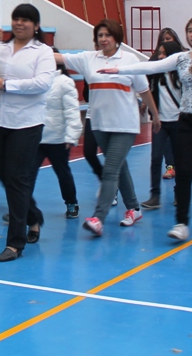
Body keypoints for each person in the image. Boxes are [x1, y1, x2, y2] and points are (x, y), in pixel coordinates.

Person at [100, 16, 192, 241]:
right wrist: (119, 70)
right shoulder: (181, 58)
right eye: (189, 30)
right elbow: (151, 66)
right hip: (187, 120)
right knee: (184, 171)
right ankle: (181, 223)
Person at [0, 4, 56, 262]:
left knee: (17, 178)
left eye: (25, 20)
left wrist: (7, 85)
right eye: (16, 18)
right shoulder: (1, 48)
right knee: (3, 174)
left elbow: (43, 83)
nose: (19, 23)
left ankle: (15, 243)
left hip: (27, 124)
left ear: (36, 25)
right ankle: (33, 216)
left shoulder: (43, 51)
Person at [63, 20, 158, 238]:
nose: (103, 39)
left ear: (116, 38)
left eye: (108, 35)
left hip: (125, 124)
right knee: (119, 166)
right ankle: (134, 208)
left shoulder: (130, 60)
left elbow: (144, 90)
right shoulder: (88, 58)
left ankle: (98, 218)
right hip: (99, 124)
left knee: (111, 169)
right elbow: (61, 58)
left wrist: (155, 114)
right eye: (100, 35)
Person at [36, 53, 84, 219]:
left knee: (62, 172)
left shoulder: (64, 82)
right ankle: (20, 207)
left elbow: (72, 111)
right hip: (35, 137)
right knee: (26, 174)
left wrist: (71, 136)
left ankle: (71, 202)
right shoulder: (35, 81)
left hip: (57, 138)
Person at [141, 40, 182, 211]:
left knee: (180, 159)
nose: (161, 56)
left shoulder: (182, 74)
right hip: (160, 122)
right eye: (160, 53)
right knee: (156, 158)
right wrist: (153, 113)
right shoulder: (156, 73)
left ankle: (180, 192)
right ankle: (155, 195)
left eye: (165, 53)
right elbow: (149, 92)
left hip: (179, 121)